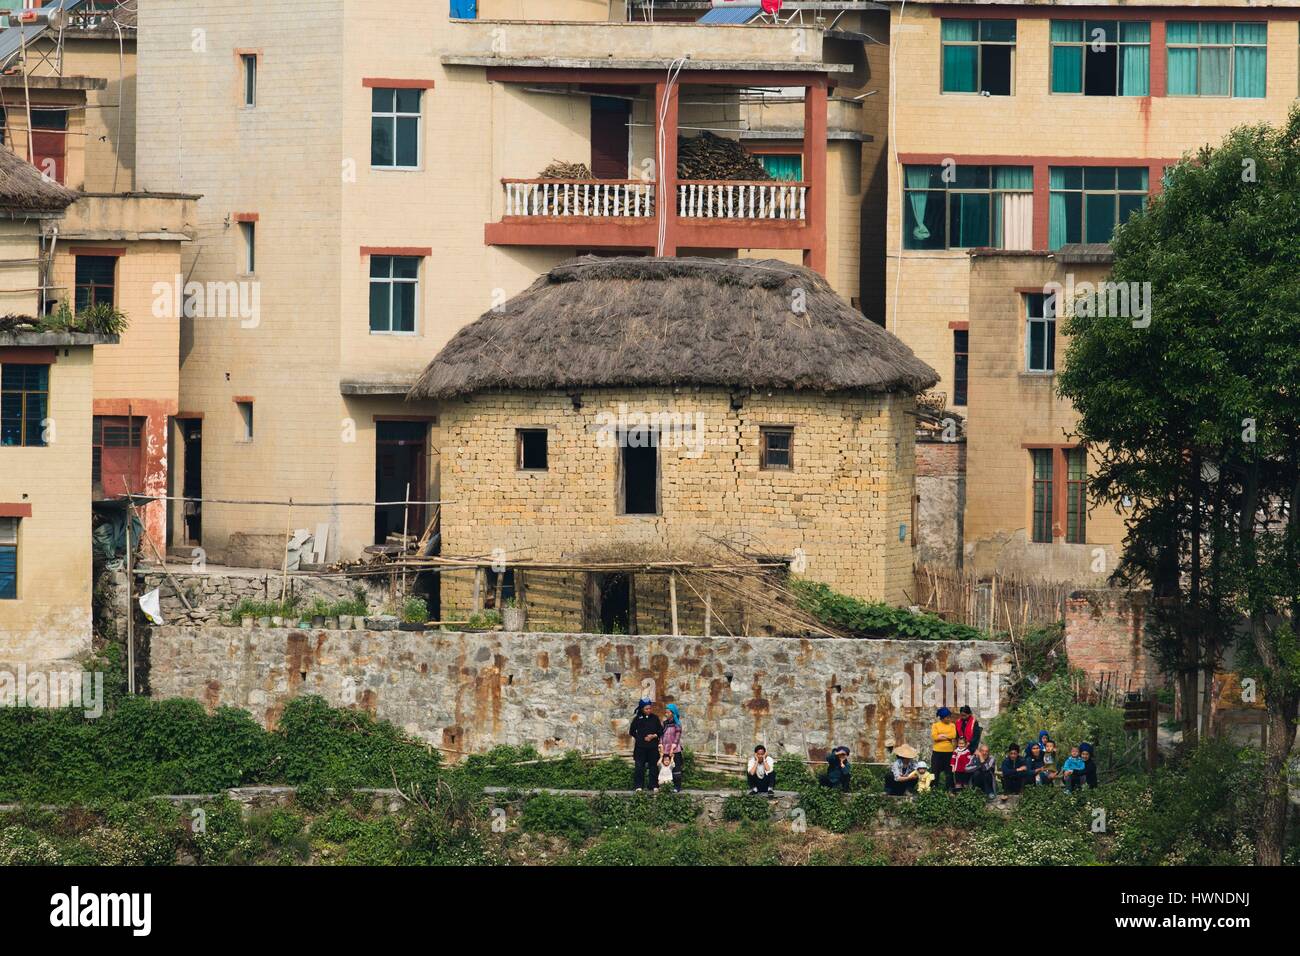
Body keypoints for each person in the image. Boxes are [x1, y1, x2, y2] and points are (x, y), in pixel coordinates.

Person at [628, 699, 663, 791]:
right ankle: (639, 786)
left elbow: (660, 731)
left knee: (653, 766)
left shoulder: (655, 718)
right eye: (646, 709)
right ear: (642, 709)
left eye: (650, 708)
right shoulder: (637, 719)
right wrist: (640, 738)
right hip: (640, 748)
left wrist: (653, 736)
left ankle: (653, 785)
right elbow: (631, 732)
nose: (648, 710)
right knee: (639, 766)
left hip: (653, 747)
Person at [658, 702, 684, 792]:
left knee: (676, 769)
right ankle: (665, 786)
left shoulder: (677, 724)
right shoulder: (664, 723)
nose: (666, 714)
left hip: (674, 750)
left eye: (668, 712)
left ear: (673, 713)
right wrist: (660, 744)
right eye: (666, 712)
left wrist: (673, 748)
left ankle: (677, 787)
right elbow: (661, 735)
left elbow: (677, 736)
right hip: (665, 750)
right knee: (664, 769)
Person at [930, 707, 957, 792]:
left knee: (949, 772)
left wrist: (941, 736)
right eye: (947, 717)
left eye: (949, 717)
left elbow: (953, 735)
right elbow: (934, 737)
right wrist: (946, 737)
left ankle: (949, 789)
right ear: (942, 717)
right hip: (937, 752)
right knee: (935, 771)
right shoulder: (935, 725)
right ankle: (933, 789)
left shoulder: (952, 725)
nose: (949, 719)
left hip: (949, 752)